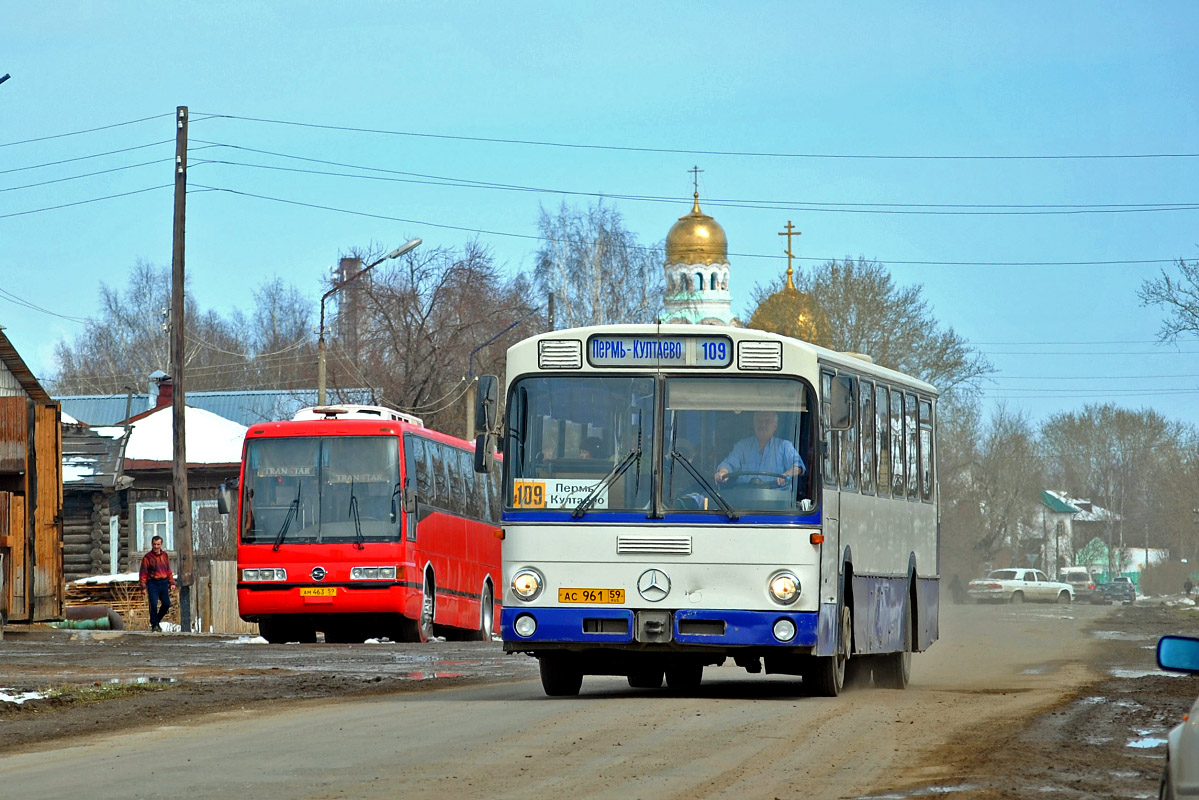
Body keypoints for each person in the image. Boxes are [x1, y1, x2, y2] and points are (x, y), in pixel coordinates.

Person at [714, 410, 804, 488]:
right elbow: (728, 464)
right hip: (744, 501)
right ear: (754, 424)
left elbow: (798, 467)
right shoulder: (742, 446)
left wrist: (786, 475)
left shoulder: (785, 446)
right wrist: (723, 472)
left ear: (775, 426)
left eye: (767, 421)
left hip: (778, 502)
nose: (763, 424)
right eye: (759, 421)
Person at [139, 535, 176, 632]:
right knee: (153, 604)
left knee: (167, 604)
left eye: (158, 544)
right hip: (152, 583)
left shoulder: (165, 556)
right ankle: (155, 625)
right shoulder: (147, 557)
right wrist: (143, 587)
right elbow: (143, 573)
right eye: (154, 544)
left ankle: (156, 621)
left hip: (163, 583)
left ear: (161, 544)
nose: (156, 546)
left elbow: (168, 570)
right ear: (152, 544)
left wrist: (172, 582)